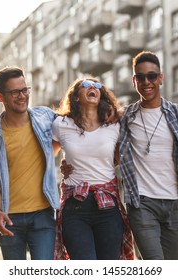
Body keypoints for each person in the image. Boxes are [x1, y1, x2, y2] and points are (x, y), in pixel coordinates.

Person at [118, 50, 178, 260]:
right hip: (141, 203)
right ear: (134, 81)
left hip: (174, 204)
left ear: (160, 78)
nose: (147, 82)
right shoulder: (125, 117)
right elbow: (96, 137)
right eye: (141, 77)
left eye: (152, 76)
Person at [0, 66, 60, 260]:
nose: (22, 96)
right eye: (15, 92)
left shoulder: (45, 117)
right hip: (9, 217)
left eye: (25, 90)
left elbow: (72, 132)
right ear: (0, 97)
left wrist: (63, 161)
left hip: (43, 214)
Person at [53, 77, 134, 260]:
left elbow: (119, 158)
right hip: (75, 207)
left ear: (101, 95)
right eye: (86, 85)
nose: (93, 87)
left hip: (108, 206)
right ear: (75, 97)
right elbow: (46, 154)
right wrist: (62, 165)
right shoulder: (61, 124)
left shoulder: (114, 125)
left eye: (97, 86)